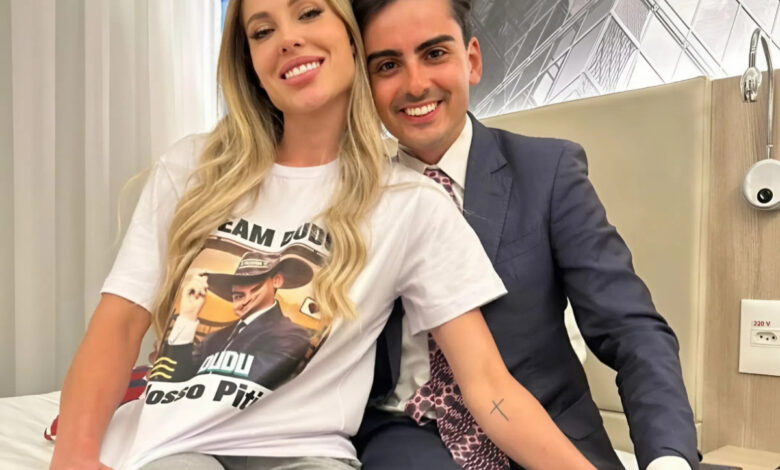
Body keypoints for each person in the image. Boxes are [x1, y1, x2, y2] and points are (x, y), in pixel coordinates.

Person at [49, 1, 597, 470]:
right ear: (251, 64)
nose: (287, 38)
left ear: (351, 37)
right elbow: (119, 324)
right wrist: (73, 456)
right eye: (262, 31)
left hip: (307, 453)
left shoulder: (411, 204)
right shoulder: (193, 168)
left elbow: (488, 386)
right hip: (177, 448)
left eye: (309, 12)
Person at [351, 0, 700, 469]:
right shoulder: (354, 199)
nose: (415, 84)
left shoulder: (547, 172)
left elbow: (631, 329)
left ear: (471, 61)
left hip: (552, 429)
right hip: (412, 437)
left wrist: (667, 458)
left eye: (434, 54)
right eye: (388, 65)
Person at [153, 250, 313, 387]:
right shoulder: (213, 339)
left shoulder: (291, 335)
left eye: (254, 285)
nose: (244, 300)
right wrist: (188, 315)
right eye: (237, 295)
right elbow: (171, 380)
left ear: (276, 280)